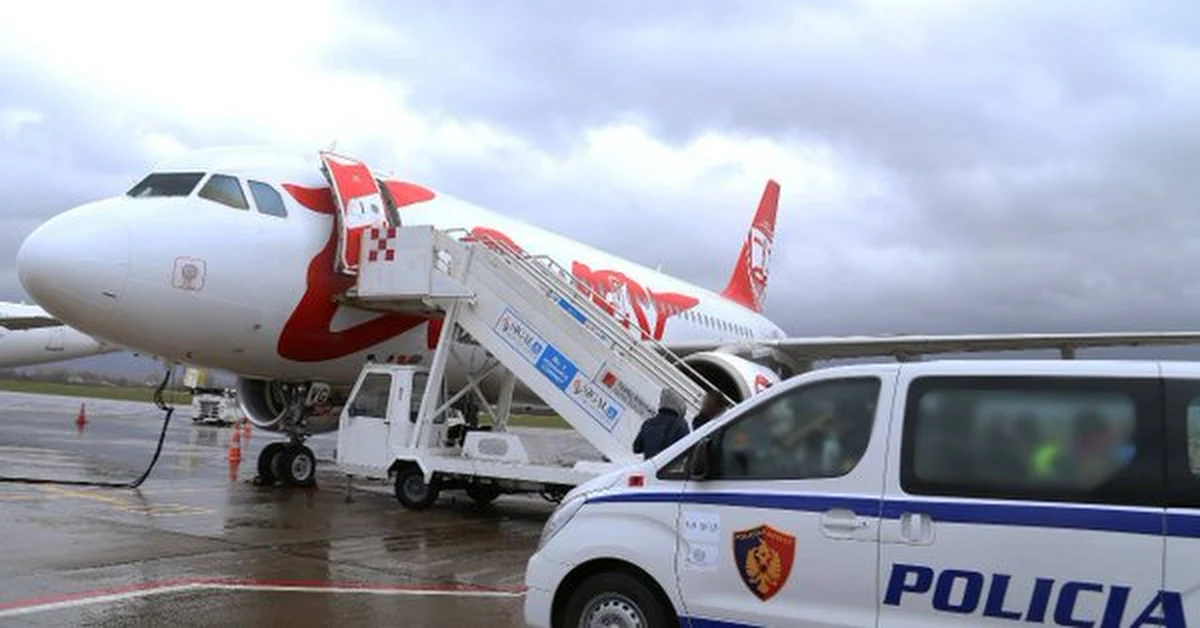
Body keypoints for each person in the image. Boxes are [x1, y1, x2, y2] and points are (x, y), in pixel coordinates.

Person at [633, 388, 690, 459]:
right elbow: (686, 450)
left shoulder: (648, 423)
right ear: (679, 407)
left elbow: (637, 448)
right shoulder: (681, 424)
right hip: (669, 464)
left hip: (651, 464)